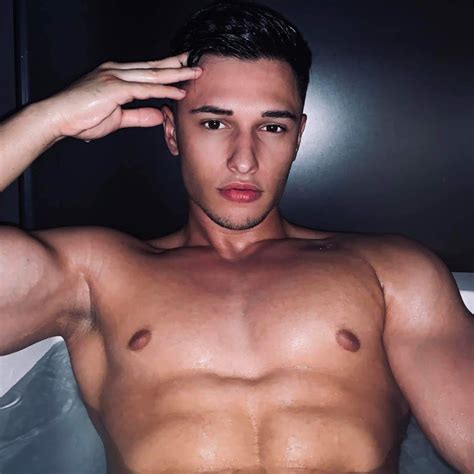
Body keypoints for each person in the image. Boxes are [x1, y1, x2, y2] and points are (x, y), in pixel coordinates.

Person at [0, 1, 472, 472]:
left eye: (272, 126)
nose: (244, 160)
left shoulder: (390, 272)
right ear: (172, 133)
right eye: (214, 123)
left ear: (298, 137)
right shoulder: (95, 275)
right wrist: (48, 121)